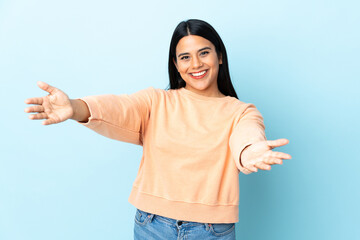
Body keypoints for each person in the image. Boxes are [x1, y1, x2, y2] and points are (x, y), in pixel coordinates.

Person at [24, 19, 292, 240]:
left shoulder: (240, 111)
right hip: (152, 225)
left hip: (212, 231)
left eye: (204, 53)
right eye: (185, 57)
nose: (196, 64)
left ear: (219, 56)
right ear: (176, 65)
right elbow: (119, 108)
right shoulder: (157, 101)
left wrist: (251, 152)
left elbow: (247, 136)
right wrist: (75, 107)